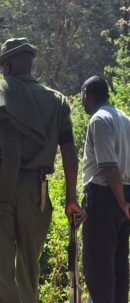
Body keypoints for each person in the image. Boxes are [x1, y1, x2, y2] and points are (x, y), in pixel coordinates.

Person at [0, 37, 84, 303]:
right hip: (38, 193)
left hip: (0, 188)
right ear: (31, 63)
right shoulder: (57, 101)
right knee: (29, 267)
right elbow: (70, 153)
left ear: (7, 65)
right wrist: (71, 199)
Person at [80, 76, 130, 303]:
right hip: (124, 199)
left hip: (105, 197)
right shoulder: (125, 119)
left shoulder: (99, 119)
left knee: (98, 269)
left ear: (86, 93)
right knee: (119, 266)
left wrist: (120, 202)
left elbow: (109, 167)